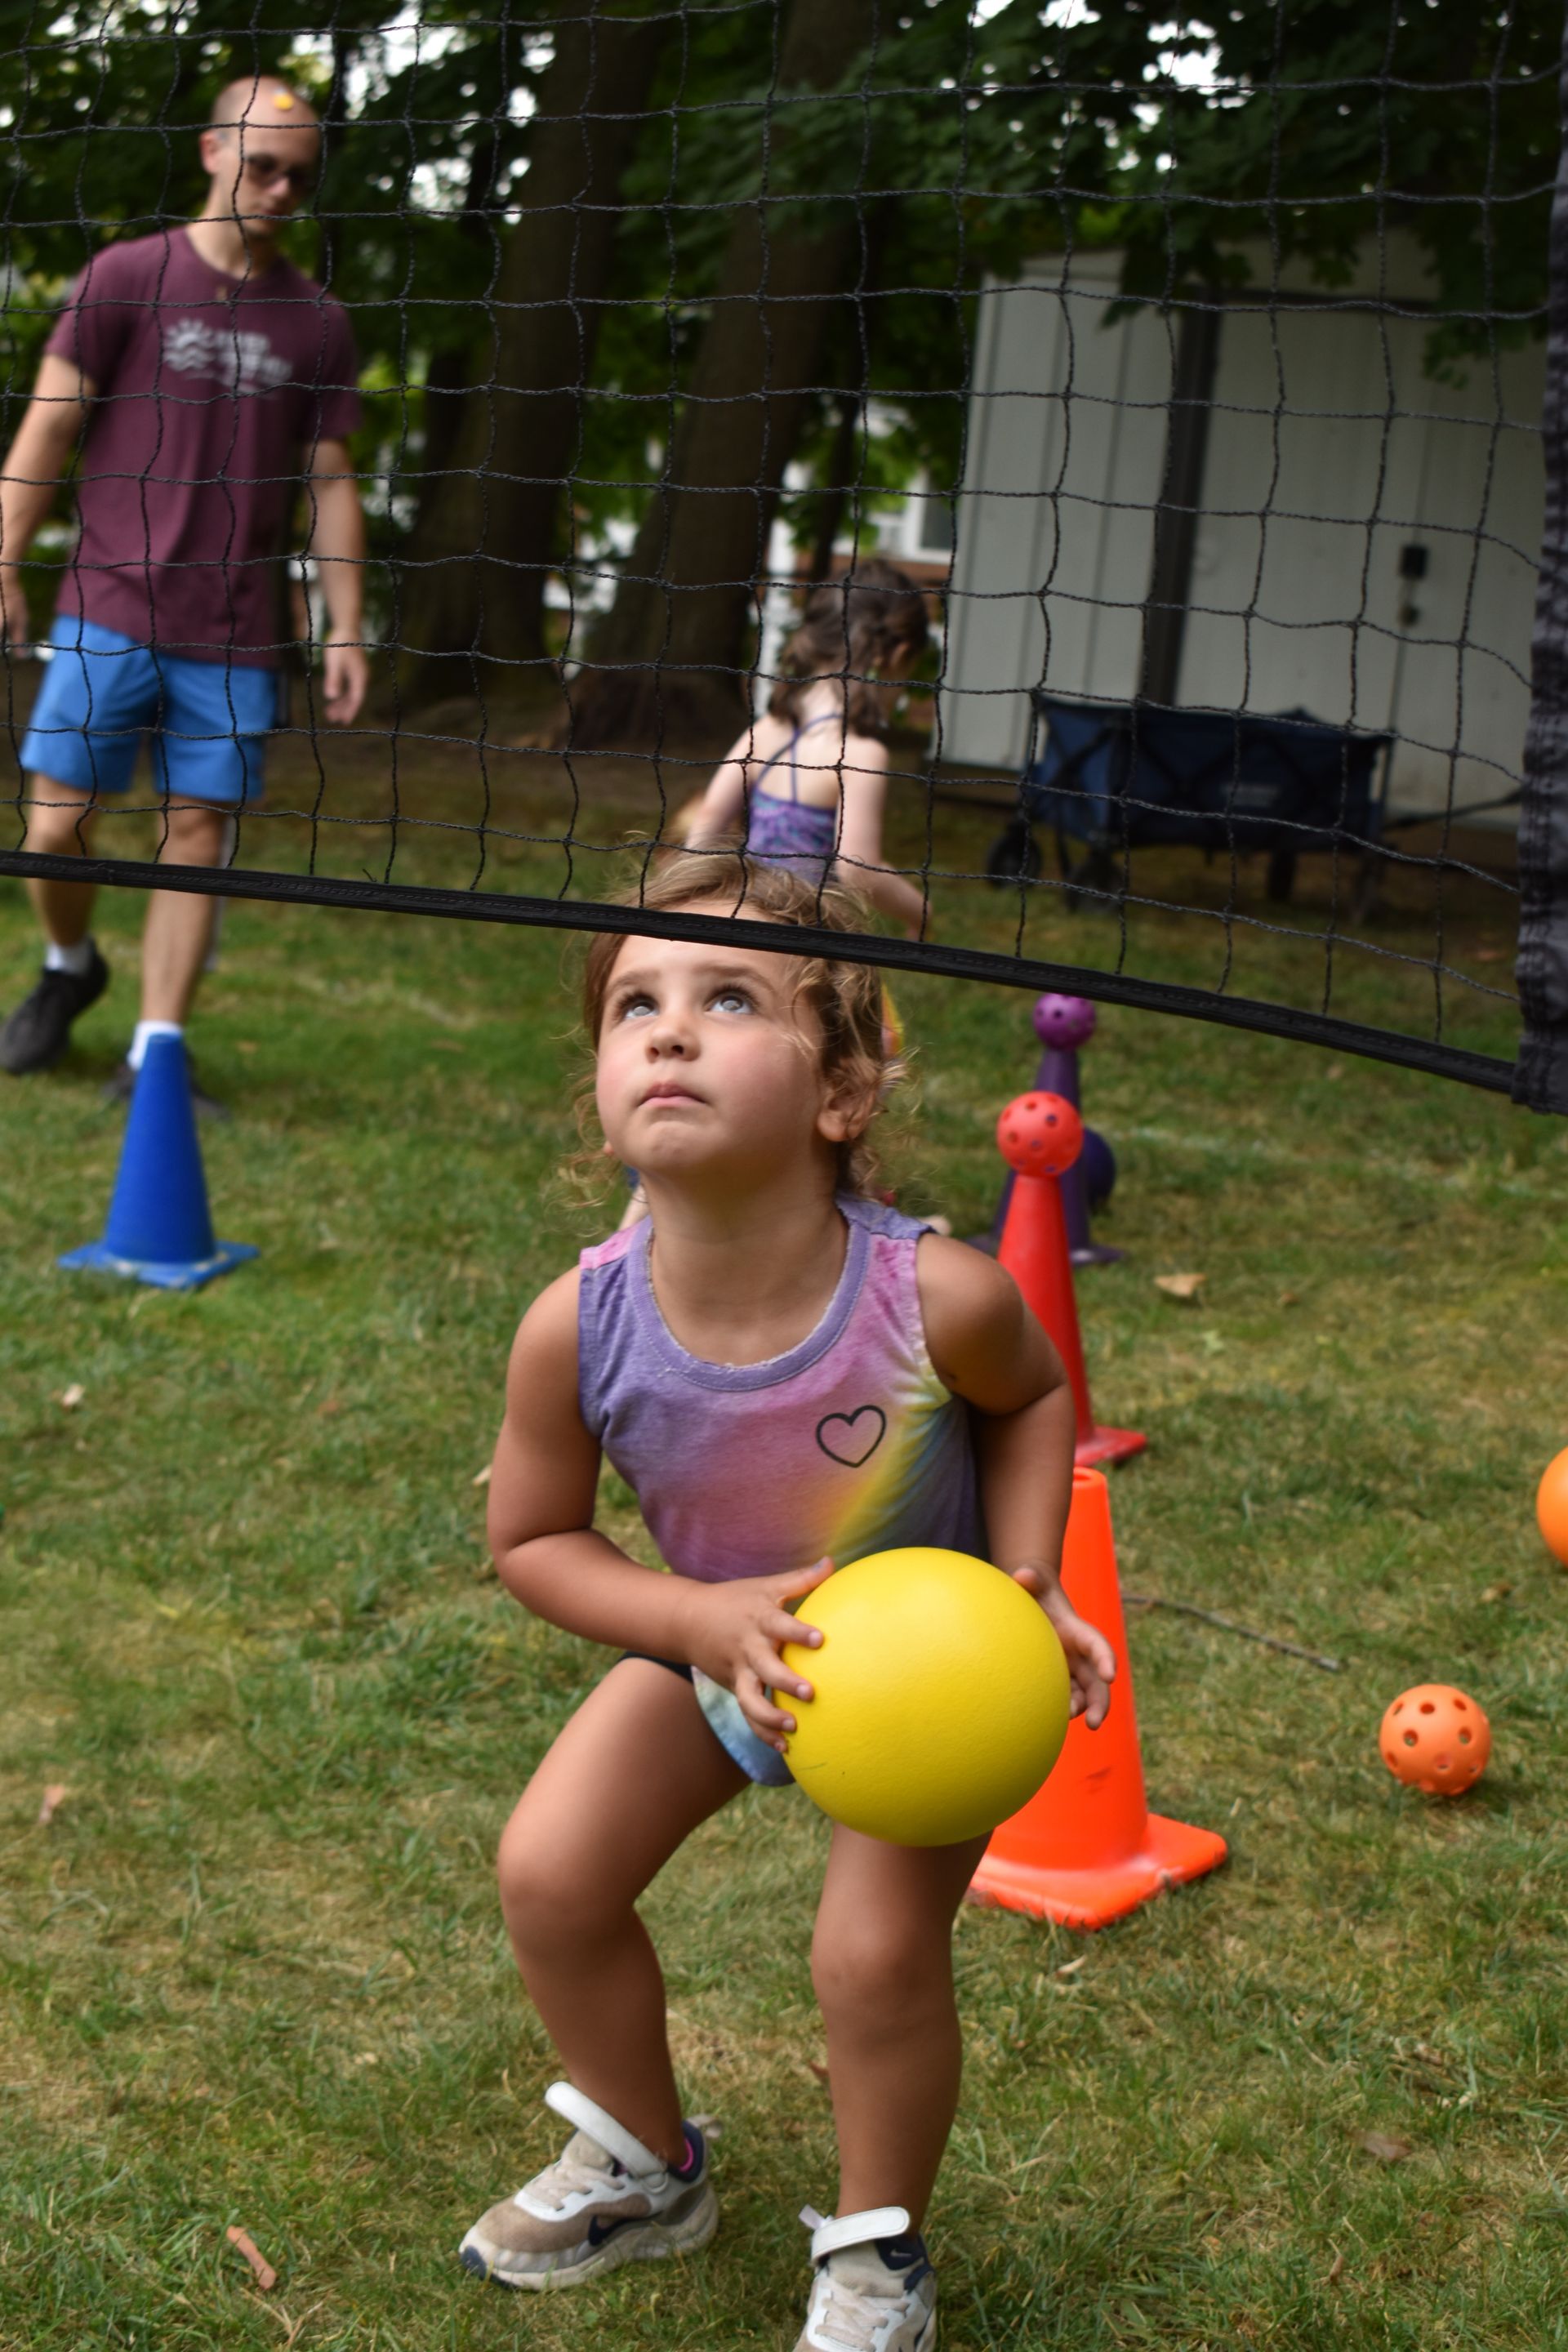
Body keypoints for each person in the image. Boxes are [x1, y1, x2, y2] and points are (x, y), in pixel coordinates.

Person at [460, 861, 1115, 2349]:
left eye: (727, 997)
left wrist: (1023, 1583)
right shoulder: (578, 1324)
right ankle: (644, 2158)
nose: (668, 1033)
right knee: (553, 1873)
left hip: (927, 1681)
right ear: (603, 1081)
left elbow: (1032, 1401)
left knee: (870, 1956)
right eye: (637, 1004)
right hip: (723, 1639)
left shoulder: (933, 1296)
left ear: (845, 1092)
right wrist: (697, 1625)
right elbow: (532, 1538)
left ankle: (879, 2248)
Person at [0, 73, 367, 1107]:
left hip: (239, 628)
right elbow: (48, 428)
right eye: (261, 164)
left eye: (300, 175)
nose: (281, 188)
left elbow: (331, 483)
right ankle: (71, 967)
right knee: (54, 824)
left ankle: (155, 1051)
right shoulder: (124, 276)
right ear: (211, 150)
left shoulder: (320, 323)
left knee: (196, 837)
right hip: (106, 604)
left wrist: (347, 626)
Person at [683, 560, 933, 936]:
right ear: (897, 657)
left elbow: (707, 826)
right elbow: (858, 869)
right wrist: (920, 910)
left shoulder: (765, 732)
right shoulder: (860, 755)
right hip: (812, 949)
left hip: (745, 926)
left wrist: (691, 902)